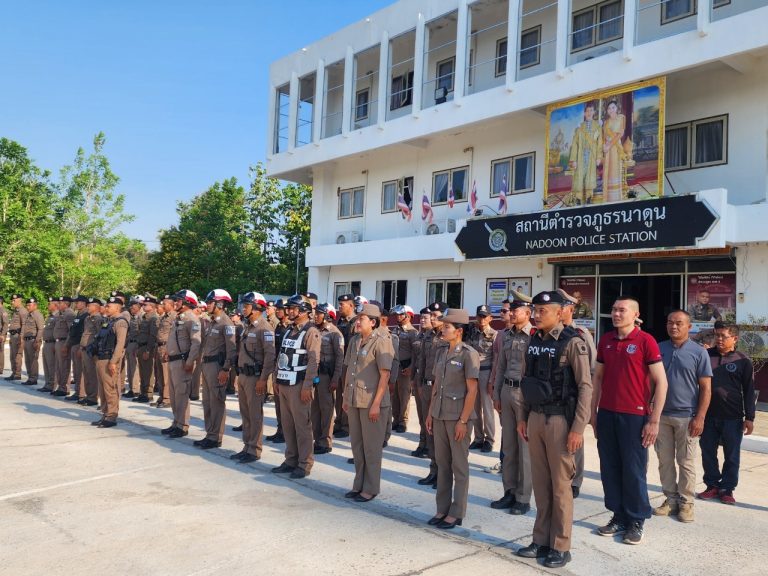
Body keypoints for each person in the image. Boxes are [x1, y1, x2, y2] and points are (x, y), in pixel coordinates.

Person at [516, 291, 592, 569]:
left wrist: (578, 428)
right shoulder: (534, 340)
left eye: (543, 311)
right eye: (535, 310)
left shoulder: (573, 342)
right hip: (536, 417)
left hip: (560, 421)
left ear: (560, 313)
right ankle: (540, 540)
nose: (536, 315)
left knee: (560, 487)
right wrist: (523, 417)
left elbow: (585, 387)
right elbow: (526, 380)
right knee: (540, 484)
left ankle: (561, 545)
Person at [591, 296, 668, 545]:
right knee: (610, 467)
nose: (616, 314)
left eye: (622, 310)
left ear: (635, 314)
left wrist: (654, 420)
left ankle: (636, 519)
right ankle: (619, 515)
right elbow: (597, 379)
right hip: (607, 413)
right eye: (614, 309)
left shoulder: (645, 341)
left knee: (633, 470)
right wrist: (593, 412)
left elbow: (661, 382)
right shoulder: (606, 340)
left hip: (635, 416)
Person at [653, 310, 712, 522]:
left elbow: (706, 388)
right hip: (661, 415)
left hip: (687, 417)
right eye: (670, 322)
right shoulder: (658, 348)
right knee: (664, 461)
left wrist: (700, 417)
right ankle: (671, 499)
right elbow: (650, 382)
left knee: (686, 461)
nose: (674, 326)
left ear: (689, 326)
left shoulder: (699, 352)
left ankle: (687, 503)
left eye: (679, 323)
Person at [426, 308, 479, 530]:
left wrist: (463, 421)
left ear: (459, 331)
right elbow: (436, 385)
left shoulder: (468, 354)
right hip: (439, 414)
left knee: (459, 466)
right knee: (442, 464)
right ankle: (442, 508)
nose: (442, 329)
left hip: (457, 417)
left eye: (447, 326)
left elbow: (472, 390)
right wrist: (430, 413)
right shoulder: (442, 352)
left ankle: (457, 512)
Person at [697, 321, 756, 505]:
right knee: (708, 452)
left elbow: (749, 390)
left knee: (732, 455)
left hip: (733, 417)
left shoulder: (743, 360)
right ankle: (712, 485)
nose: (719, 339)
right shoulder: (706, 356)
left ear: (735, 338)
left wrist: (750, 417)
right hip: (707, 416)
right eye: (717, 335)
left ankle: (727, 488)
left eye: (724, 336)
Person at [342, 303, 394, 502]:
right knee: (357, 446)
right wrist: (346, 397)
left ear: (373, 322)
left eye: (361, 319)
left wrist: (376, 404)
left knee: (371, 449)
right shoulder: (355, 340)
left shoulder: (382, 341)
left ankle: (370, 488)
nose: (357, 322)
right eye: (357, 318)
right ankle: (359, 484)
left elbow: (385, 375)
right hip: (355, 399)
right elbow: (349, 370)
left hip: (372, 402)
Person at [490, 296, 535, 514]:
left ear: (528, 313)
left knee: (524, 447)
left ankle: (523, 497)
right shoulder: (506, 335)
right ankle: (509, 491)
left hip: (524, 394)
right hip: (507, 391)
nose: (512, 313)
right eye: (511, 310)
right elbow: (500, 366)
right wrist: (497, 393)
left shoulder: (535, 335)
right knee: (508, 445)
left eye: (517, 310)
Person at [272, 294, 320, 479]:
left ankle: (304, 463)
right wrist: (276, 378)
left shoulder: (311, 332)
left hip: (299, 385)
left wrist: (308, 386)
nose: (290, 311)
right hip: (284, 383)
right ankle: (290, 459)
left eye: (293, 308)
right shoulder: (288, 330)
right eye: (289, 308)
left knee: (302, 426)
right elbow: (281, 356)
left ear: (304, 311)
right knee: (288, 425)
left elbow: (313, 361)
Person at [556, 288, 597, 498]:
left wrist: (588, 404)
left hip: (573, 396)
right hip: (554, 397)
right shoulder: (549, 333)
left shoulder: (581, 334)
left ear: (570, 309)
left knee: (575, 439)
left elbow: (592, 369)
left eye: (560, 307)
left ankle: (575, 480)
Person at [230, 292, 276, 462]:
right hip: (243, 375)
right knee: (245, 414)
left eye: (247, 306)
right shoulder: (247, 326)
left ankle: (254, 449)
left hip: (255, 378)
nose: (243, 309)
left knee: (255, 415)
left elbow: (270, 356)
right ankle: (247, 446)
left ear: (256, 308)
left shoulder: (265, 328)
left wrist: (263, 379)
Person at [193, 289, 237, 449]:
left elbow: (231, 349)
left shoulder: (226, 323)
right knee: (207, 402)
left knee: (216, 402)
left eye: (210, 302)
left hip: (217, 366)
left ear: (220, 304)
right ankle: (209, 434)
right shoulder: (212, 322)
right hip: (207, 365)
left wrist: (225, 369)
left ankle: (215, 437)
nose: (207, 305)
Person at [416, 301, 449, 488]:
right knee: (428, 430)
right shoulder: (427, 335)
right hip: (426, 387)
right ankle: (433, 469)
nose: (433, 319)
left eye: (436, 316)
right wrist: (419, 382)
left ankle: (443, 474)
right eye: (432, 316)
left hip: (441, 390)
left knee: (440, 434)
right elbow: (421, 360)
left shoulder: (448, 336)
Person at [161, 290, 202, 439]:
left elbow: (196, 343)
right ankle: (176, 422)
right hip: (173, 360)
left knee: (181, 395)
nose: (176, 303)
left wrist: (190, 361)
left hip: (182, 362)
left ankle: (182, 426)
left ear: (186, 303)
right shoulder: (179, 317)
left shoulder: (192, 319)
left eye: (178, 301)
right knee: (174, 395)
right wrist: (167, 351)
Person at [91, 295, 129, 428]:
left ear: (117, 308)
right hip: (101, 358)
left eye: (109, 306)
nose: (106, 308)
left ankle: (111, 416)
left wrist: (113, 361)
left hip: (110, 359)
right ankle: (105, 413)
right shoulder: (108, 321)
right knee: (102, 389)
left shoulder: (121, 322)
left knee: (110, 388)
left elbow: (120, 344)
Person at [313, 302, 344, 454]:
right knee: (314, 409)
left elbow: (339, 358)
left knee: (326, 410)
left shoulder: (335, 333)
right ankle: (317, 439)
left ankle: (325, 442)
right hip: (314, 375)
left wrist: (335, 379)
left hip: (326, 376)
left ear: (327, 316)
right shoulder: (313, 330)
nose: (315, 316)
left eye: (319, 313)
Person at [468, 304, 497, 453]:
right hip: (473, 373)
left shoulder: (494, 335)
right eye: (480, 316)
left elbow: (496, 358)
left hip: (486, 372)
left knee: (487, 408)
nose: (482, 319)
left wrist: (492, 379)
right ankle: (478, 438)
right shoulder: (471, 333)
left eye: (485, 316)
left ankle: (489, 440)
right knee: (474, 407)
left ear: (490, 318)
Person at [568, 101, 603, 206]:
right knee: (579, 176)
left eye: (591, 110)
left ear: (594, 112)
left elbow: (600, 143)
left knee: (590, 175)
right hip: (581, 155)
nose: (589, 113)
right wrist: (573, 159)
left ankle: (589, 197)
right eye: (587, 111)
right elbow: (575, 144)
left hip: (592, 155)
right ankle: (578, 198)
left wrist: (599, 157)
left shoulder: (597, 126)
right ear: (584, 113)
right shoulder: (580, 127)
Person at [266, 299, 291, 443]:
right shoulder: (279, 327)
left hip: (287, 368)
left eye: (280, 309)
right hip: (277, 366)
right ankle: (280, 429)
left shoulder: (290, 327)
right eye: (277, 309)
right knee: (278, 403)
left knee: (287, 405)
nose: (278, 311)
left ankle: (287, 432)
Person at [390, 304, 418, 433]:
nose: (398, 317)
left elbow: (416, 352)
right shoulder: (395, 330)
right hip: (395, 367)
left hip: (405, 368)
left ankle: (403, 421)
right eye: (397, 314)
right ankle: (395, 419)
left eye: (401, 314)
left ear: (408, 316)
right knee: (394, 396)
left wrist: (411, 367)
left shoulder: (413, 332)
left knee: (404, 395)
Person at [333, 293, 357, 439]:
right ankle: (339, 422)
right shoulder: (340, 321)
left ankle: (347, 425)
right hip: (339, 362)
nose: (339, 307)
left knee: (347, 395)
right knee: (339, 395)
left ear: (351, 306)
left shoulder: (355, 322)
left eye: (342, 304)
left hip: (349, 364)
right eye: (339, 304)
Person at [410, 307, 432, 458]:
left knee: (428, 414)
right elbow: (415, 359)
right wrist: (412, 378)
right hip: (419, 377)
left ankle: (429, 446)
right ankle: (422, 442)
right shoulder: (419, 336)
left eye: (426, 318)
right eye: (421, 318)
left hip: (430, 379)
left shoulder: (437, 337)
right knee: (420, 413)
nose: (423, 320)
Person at [78, 297, 103, 406]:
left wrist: (95, 350)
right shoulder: (88, 318)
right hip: (84, 349)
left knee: (92, 374)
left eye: (90, 305)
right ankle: (89, 396)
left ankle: (93, 397)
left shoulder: (98, 319)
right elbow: (85, 334)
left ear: (96, 307)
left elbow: (99, 335)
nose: (88, 307)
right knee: (87, 373)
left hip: (91, 350)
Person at [65, 295, 89, 400]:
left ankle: (81, 393)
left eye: (77, 302)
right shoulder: (79, 315)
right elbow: (72, 331)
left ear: (83, 303)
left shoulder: (86, 316)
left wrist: (81, 347)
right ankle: (78, 391)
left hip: (80, 345)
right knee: (76, 370)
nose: (76, 304)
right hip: (74, 344)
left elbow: (85, 333)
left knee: (80, 371)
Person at [602, 99, 626, 203]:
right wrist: (604, 145)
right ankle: (608, 198)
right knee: (608, 171)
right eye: (609, 108)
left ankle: (616, 197)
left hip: (615, 147)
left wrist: (609, 145)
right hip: (607, 149)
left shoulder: (621, 118)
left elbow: (620, 134)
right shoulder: (606, 122)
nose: (611, 110)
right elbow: (604, 136)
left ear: (617, 108)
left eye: (613, 107)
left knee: (615, 170)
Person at [136, 295, 159, 403]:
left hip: (147, 347)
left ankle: (148, 393)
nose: (143, 306)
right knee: (142, 371)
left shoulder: (154, 318)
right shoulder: (144, 317)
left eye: (145, 305)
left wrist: (148, 350)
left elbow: (152, 336)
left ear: (152, 306)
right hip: (141, 346)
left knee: (148, 371)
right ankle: (143, 392)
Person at [51, 296, 75, 397]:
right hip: (58, 342)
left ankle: (64, 388)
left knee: (64, 366)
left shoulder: (69, 314)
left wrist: (66, 345)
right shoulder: (61, 314)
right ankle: (60, 387)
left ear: (66, 304)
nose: (58, 305)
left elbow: (71, 331)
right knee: (59, 366)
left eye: (60, 303)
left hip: (64, 342)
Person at [123, 296, 144, 398]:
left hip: (136, 344)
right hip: (130, 343)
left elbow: (141, 332)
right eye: (131, 305)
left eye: (133, 305)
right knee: (130, 368)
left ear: (139, 306)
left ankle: (135, 389)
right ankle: (132, 388)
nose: (131, 307)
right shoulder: (133, 316)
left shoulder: (141, 316)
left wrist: (138, 346)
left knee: (135, 368)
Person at [22, 298, 44, 387]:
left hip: (33, 340)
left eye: (29, 305)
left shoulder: (38, 315)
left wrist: (37, 341)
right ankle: (30, 377)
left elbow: (40, 329)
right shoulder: (28, 315)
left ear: (35, 305)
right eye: (27, 305)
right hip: (27, 340)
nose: (27, 307)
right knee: (28, 360)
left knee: (33, 360)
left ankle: (33, 378)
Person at [5, 294, 28, 381]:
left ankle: (17, 374)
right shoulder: (16, 311)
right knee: (12, 356)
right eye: (12, 300)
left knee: (17, 355)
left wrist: (21, 338)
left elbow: (24, 325)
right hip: (13, 336)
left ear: (19, 300)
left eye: (14, 300)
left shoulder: (23, 311)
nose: (12, 302)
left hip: (18, 336)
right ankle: (14, 372)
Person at [38, 298, 58, 390]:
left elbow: (58, 331)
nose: (48, 306)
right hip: (46, 343)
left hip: (52, 343)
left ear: (55, 305)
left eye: (50, 304)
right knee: (46, 365)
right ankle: (47, 384)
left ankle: (52, 384)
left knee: (51, 365)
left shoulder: (58, 316)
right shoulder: (50, 316)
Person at [0, 296, 8, 375]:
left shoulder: (3, 311)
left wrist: (2, 334)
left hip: (1, 334)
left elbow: (5, 324)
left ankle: (0, 369)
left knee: (0, 351)